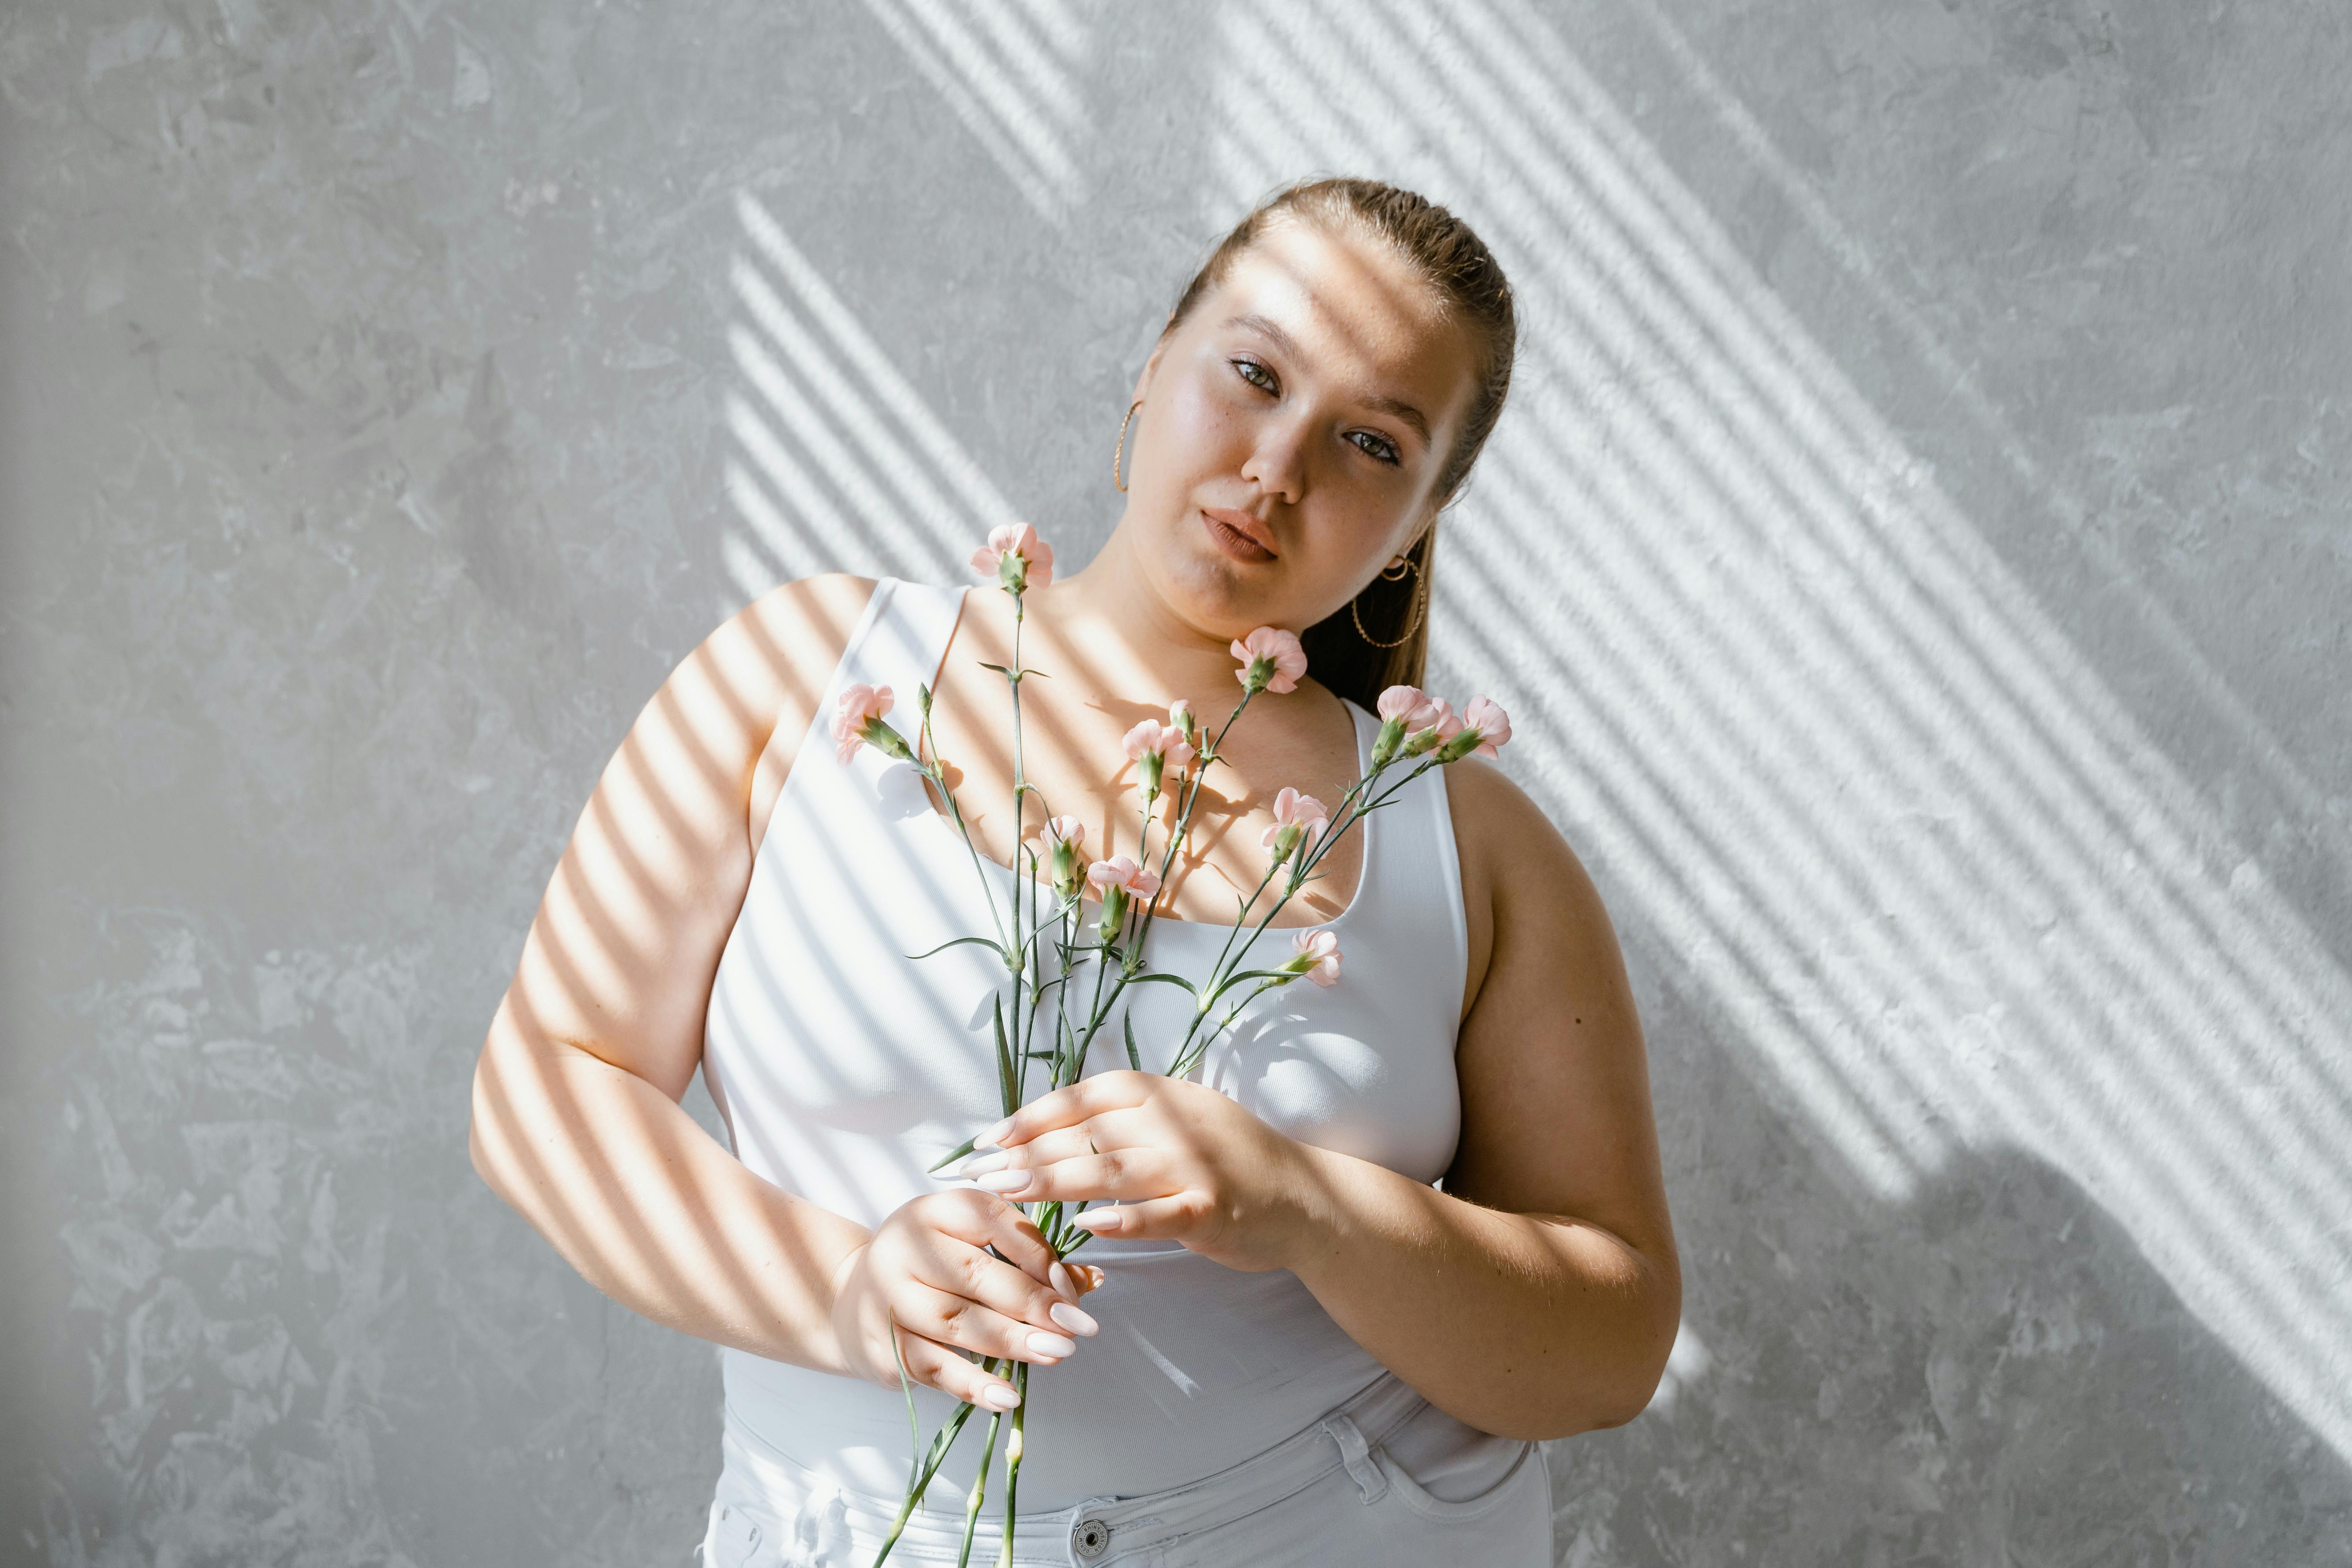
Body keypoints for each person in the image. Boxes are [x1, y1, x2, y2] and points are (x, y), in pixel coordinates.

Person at [468, 177, 1679, 1566]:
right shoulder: (807, 679)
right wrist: (844, 1294)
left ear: (1418, 523)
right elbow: (546, 1081)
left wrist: (1309, 1206)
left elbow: (1614, 1344)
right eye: (1251, 372)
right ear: (1152, 366)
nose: (1277, 467)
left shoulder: (1468, 847)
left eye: (1369, 443)